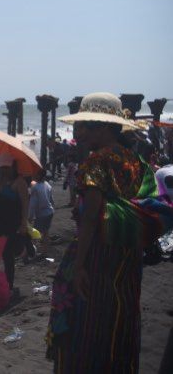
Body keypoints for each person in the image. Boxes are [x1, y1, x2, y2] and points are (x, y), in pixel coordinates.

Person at [47, 93, 173, 373]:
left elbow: (92, 217)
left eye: (85, 126)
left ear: (103, 127)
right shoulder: (137, 162)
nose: (79, 132)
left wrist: (79, 265)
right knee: (121, 313)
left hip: (97, 254)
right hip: (128, 254)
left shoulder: (95, 162)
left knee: (87, 320)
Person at [0, 152, 30, 290]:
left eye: (6, 167)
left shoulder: (20, 182)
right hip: (2, 222)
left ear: (13, 167)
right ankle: (9, 283)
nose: (4, 170)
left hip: (14, 221)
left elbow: (25, 204)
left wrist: (24, 224)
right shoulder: (0, 178)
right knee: (6, 252)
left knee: (9, 252)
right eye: (1, 167)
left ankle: (10, 282)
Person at [28, 169, 54, 255]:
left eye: (35, 174)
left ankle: (31, 252)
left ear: (39, 175)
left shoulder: (35, 188)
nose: (34, 175)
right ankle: (45, 251)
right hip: (49, 212)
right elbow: (51, 200)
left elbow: (32, 204)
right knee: (45, 232)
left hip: (41, 214)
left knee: (35, 233)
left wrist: (30, 217)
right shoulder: (47, 184)